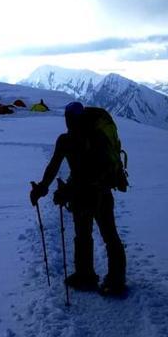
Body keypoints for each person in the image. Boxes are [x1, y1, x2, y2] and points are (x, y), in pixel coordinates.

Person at [30, 101, 127, 296]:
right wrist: (44, 188)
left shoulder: (73, 140)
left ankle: (90, 276)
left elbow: (61, 168)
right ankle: (110, 279)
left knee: (88, 234)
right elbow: (60, 167)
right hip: (99, 193)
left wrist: (46, 189)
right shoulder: (87, 138)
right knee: (106, 236)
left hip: (89, 194)